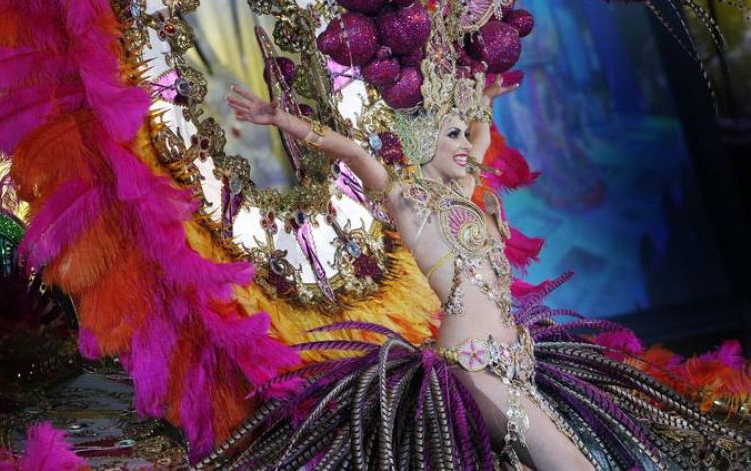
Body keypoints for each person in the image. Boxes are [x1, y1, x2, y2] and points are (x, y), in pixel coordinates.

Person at [224, 82, 748, 470]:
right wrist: (282, 119)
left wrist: (487, 96)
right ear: (424, 141)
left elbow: (478, 133)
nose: (466, 144)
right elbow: (355, 152)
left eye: (463, 134)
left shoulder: (465, 198)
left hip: (517, 363)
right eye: (450, 134)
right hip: (473, 369)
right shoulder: (412, 204)